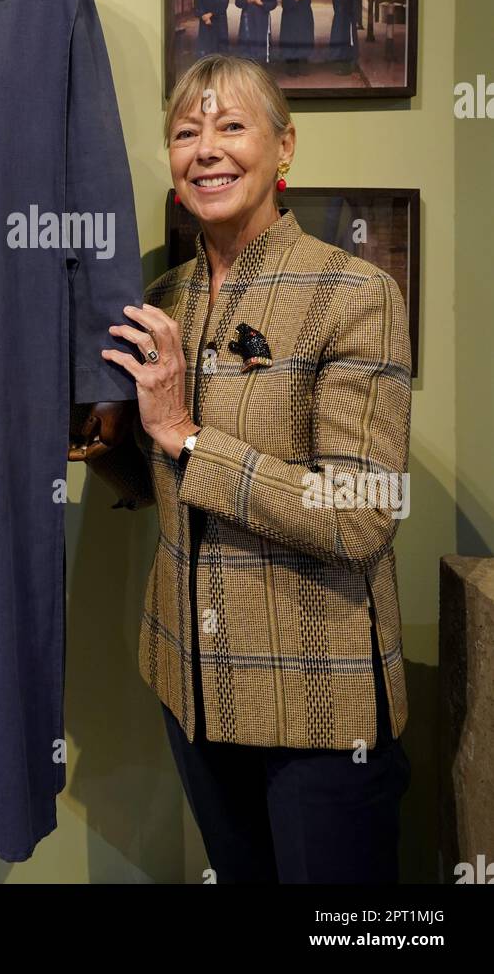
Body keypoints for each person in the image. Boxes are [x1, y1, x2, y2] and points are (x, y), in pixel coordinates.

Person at [89, 53, 413, 884]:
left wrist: (186, 435)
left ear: (284, 148)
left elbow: (359, 513)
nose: (206, 149)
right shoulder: (160, 297)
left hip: (318, 708)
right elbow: (160, 484)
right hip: (191, 690)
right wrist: (108, 443)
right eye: (185, 132)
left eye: (231, 126)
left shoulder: (355, 294)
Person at [234, 0, 277, 65]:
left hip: (262, 18)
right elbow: (237, 2)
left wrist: (261, 3)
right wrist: (248, 0)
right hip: (247, 18)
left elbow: (274, 3)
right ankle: (247, 66)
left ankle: (261, 66)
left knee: (261, 39)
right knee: (247, 39)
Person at [276, 0, 314, 76]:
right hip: (291, 22)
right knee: (292, 41)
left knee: (303, 41)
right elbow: (286, 6)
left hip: (304, 21)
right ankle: (292, 67)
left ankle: (302, 67)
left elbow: (308, 4)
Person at [328, 0, 362, 74]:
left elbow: (356, 10)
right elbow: (335, 8)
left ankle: (347, 68)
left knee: (348, 43)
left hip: (348, 23)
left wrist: (354, 21)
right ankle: (339, 65)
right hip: (338, 22)